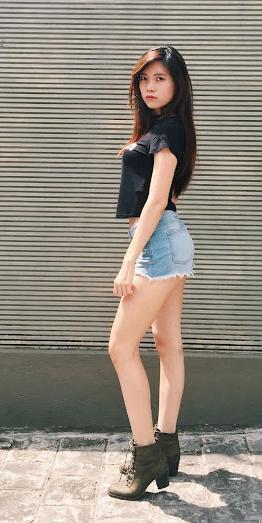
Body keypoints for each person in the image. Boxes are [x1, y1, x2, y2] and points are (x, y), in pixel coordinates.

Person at [108, 45, 197, 500]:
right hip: (170, 240)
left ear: (177, 84)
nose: (150, 86)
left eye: (160, 78)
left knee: (120, 347)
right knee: (167, 343)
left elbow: (158, 199)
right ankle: (167, 444)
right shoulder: (162, 129)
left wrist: (129, 259)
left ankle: (145, 456)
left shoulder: (168, 130)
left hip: (158, 244)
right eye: (144, 78)